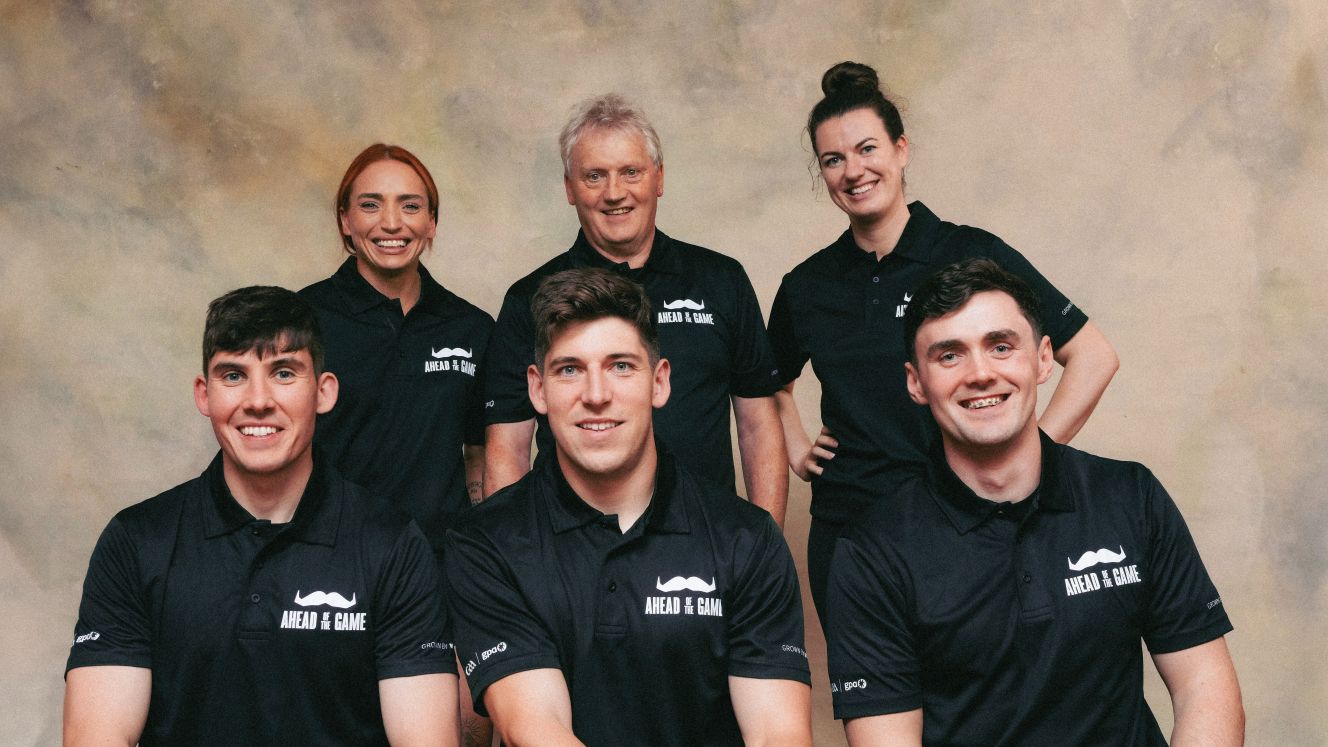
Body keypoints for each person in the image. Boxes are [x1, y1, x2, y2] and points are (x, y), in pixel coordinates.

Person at [825, 259, 1242, 745]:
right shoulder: (871, 551)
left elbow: (1204, 688)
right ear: (916, 382)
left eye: (1001, 347)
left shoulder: (1130, 495)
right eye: (949, 356)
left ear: (1043, 359)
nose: (980, 374)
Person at [768, 61, 1120, 619]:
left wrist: (1031, 454)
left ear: (901, 149)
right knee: (874, 702)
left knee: (980, 700)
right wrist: (794, 444)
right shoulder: (808, 285)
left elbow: (1094, 356)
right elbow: (769, 381)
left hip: (964, 524)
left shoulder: (969, 254)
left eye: (867, 149)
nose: (852, 171)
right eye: (833, 160)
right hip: (849, 533)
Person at [64, 286, 458, 746]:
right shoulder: (137, 541)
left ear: (324, 391)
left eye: (283, 373)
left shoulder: (390, 545)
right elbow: (96, 738)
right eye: (233, 375)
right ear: (203, 394)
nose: (257, 400)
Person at [447, 268, 812, 746]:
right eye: (570, 369)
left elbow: (777, 735)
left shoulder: (746, 539)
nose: (596, 396)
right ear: (537, 389)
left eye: (621, 366)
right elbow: (535, 728)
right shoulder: (487, 544)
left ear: (659, 382)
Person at [483, 94, 788, 527]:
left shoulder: (721, 281)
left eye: (631, 172)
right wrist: (515, 560)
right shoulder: (528, 299)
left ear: (658, 178)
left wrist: (765, 547)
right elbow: (508, 448)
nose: (614, 193)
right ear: (569, 188)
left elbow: (759, 427)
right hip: (573, 546)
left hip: (704, 543)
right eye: (594, 176)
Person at [300, 143, 492, 558]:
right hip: (329, 558)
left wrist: (481, 542)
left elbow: (480, 449)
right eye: (371, 205)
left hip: (440, 564)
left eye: (410, 206)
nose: (391, 224)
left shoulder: (472, 327)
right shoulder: (301, 320)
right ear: (345, 221)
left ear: (432, 223)